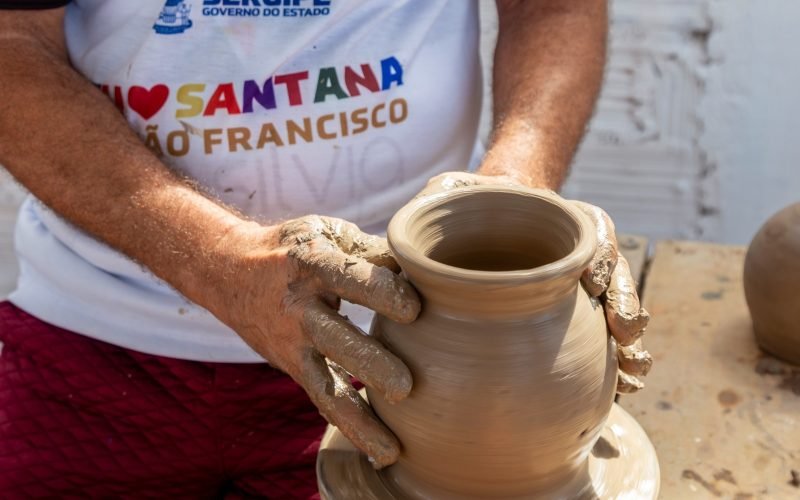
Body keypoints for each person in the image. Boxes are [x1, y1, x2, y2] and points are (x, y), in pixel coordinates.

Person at [0, 0, 651, 497]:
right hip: (96, 343)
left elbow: (554, 7)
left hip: (399, 364)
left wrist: (510, 199)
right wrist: (218, 261)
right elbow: (11, 46)